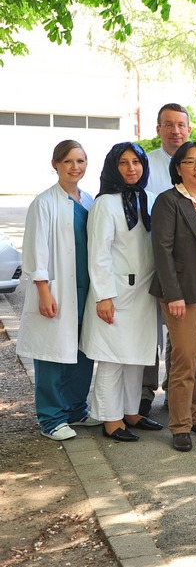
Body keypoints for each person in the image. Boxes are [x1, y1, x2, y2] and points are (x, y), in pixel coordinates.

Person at [81, 143, 163, 442]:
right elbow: (98, 253)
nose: (131, 169)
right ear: (114, 167)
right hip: (115, 291)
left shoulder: (151, 199)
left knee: (136, 356)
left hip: (145, 291)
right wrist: (103, 295)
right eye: (124, 163)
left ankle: (131, 412)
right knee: (112, 358)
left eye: (137, 162)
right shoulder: (105, 204)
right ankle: (111, 419)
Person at [18, 141, 99, 441]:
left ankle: (76, 409)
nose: (74, 167)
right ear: (55, 164)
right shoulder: (44, 202)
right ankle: (51, 418)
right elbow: (35, 251)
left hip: (85, 289)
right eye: (67, 161)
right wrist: (43, 291)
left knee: (82, 351)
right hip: (56, 289)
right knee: (51, 355)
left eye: (80, 161)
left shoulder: (89, 200)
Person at [150, 141, 196, 453]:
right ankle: (179, 425)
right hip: (181, 293)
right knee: (185, 357)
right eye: (190, 162)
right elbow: (162, 252)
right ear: (178, 168)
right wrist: (173, 294)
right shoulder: (169, 201)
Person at [141, 102, 196, 417]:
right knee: (147, 332)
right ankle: (143, 393)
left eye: (181, 124)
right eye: (168, 124)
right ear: (159, 129)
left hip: (190, 274)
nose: (175, 130)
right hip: (147, 263)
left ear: (188, 128)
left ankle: (174, 397)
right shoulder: (145, 164)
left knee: (181, 343)